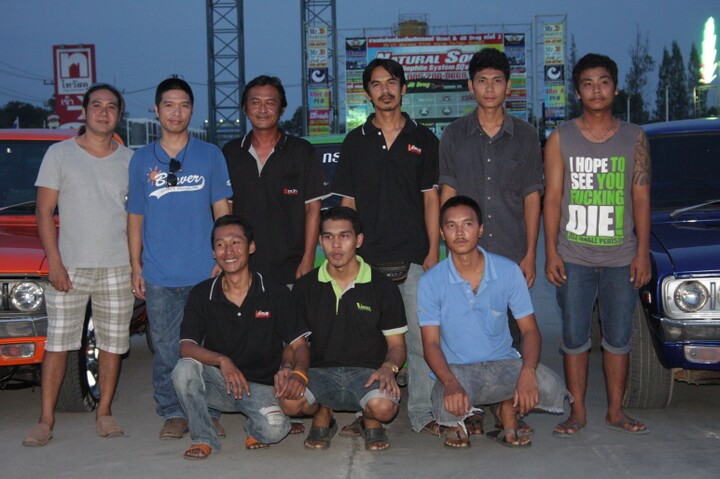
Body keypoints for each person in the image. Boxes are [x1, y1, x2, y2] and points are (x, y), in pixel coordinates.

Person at [543, 53, 651, 437]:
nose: (596, 90)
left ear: (615, 88)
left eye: (603, 82)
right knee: (575, 337)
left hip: (621, 256)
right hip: (573, 255)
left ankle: (616, 411)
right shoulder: (560, 138)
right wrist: (551, 251)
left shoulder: (634, 138)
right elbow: (552, 198)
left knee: (618, 337)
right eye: (587, 84)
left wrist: (642, 252)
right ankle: (577, 412)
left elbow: (641, 197)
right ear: (578, 92)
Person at [438, 47, 543, 436]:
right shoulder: (454, 135)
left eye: (497, 80)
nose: (489, 88)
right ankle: (470, 408)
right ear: (470, 87)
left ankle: (508, 407)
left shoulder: (525, 136)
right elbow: (448, 193)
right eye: (481, 81)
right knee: (463, 332)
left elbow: (532, 196)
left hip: (511, 252)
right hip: (464, 256)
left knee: (511, 335)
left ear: (508, 87)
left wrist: (530, 254)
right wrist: (444, 250)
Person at [332, 58, 440, 435]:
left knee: (419, 341)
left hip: (413, 257)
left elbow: (431, 199)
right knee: (366, 343)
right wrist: (347, 253)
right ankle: (367, 412)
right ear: (367, 93)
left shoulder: (423, 139)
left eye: (392, 82)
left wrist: (433, 251)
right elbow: (347, 203)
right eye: (376, 84)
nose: (385, 90)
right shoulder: (355, 141)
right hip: (367, 260)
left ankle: (423, 412)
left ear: (403, 88)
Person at [24, 84, 134, 446]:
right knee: (58, 343)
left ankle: (105, 413)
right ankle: (45, 420)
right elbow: (43, 212)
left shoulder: (130, 160)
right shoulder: (59, 154)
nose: (104, 112)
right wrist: (55, 264)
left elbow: (136, 217)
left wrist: (136, 267)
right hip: (69, 267)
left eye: (111, 107)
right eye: (96, 105)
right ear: (84, 112)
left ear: (119, 115)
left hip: (118, 267)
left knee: (112, 343)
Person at [127, 77, 232, 440]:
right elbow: (135, 216)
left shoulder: (210, 155)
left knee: (209, 346)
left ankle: (209, 410)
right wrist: (136, 265)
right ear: (156, 110)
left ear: (192, 110)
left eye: (184, 105)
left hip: (206, 271)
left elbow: (222, 209)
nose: (176, 112)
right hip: (159, 274)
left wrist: (225, 258)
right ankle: (173, 412)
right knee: (166, 349)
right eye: (169, 105)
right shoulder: (141, 159)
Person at [418, 196, 567, 449]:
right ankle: (474, 416)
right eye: (451, 226)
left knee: (550, 386)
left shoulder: (508, 271)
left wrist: (527, 371)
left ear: (481, 229)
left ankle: (505, 407)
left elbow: (530, 330)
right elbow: (430, 344)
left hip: (503, 366)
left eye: (467, 224)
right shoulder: (431, 281)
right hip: (458, 371)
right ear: (442, 233)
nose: (460, 232)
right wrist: (450, 383)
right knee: (443, 405)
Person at [172, 215, 310, 459]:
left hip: (260, 386)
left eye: (236, 242)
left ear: (251, 246)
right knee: (184, 370)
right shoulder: (202, 293)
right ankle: (204, 437)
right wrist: (222, 361)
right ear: (214, 253)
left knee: (274, 430)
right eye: (220, 245)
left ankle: (254, 425)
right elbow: (186, 346)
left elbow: (299, 343)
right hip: (219, 383)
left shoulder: (275, 291)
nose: (228, 251)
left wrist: (297, 372)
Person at [278, 207, 407, 451]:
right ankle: (324, 411)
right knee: (289, 402)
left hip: (368, 373)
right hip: (318, 372)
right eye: (328, 237)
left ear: (358, 240)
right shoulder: (304, 287)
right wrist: (287, 367)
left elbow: (397, 346)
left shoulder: (383, 287)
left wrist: (388, 369)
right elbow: (293, 344)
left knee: (384, 409)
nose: (336, 245)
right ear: (320, 241)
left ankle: (369, 417)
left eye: (344, 236)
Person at [222, 75, 329, 286]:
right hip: (243, 272)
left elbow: (313, 209)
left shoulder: (302, 151)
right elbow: (225, 212)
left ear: (282, 109)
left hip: (292, 270)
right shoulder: (230, 153)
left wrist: (308, 259)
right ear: (245, 108)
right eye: (255, 102)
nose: (262, 109)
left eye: (270, 102)